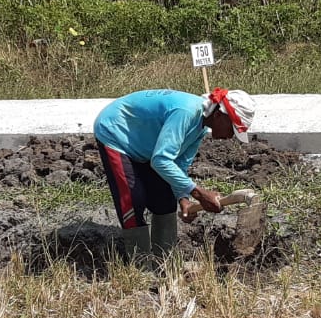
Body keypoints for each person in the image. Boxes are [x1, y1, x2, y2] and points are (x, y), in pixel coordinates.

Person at [92, 87, 257, 264]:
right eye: (232, 129)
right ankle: (141, 266)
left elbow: (179, 164)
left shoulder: (200, 127)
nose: (230, 136)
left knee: (165, 199)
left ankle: (164, 261)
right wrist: (198, 193)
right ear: (219, 116)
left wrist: (183, 197)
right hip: (115, 133)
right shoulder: (186, 113)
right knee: (133, 199)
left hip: (145, 142)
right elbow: (161, 160)